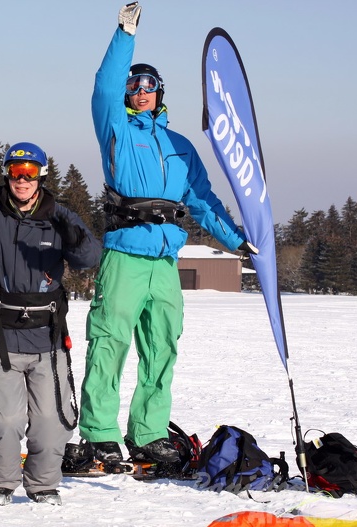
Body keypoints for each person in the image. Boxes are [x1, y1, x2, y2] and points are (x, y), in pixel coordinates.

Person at [80, 3, 258, 466]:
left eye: (150, 85)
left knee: (162, 349)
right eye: (134, 86)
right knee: (109, 343)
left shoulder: (181, 147)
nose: (142, 91)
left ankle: (149, 432)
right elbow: (102, 85)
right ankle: (100, 432)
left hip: (165, 264)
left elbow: (203, 200)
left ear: (161, 93)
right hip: (125, 256)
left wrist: (237, 242)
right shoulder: (115, 129)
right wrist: (124, 35)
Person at [0, 142, 101, 506]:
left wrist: (77, 237)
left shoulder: (60, 216)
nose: (22, 180)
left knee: (52, 423)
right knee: (5, 421)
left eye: (30, 173)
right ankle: (1, 484)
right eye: (17, 173)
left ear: (41, 177)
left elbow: (88, 259)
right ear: (7, 175)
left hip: (47, 339)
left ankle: (43, 485)